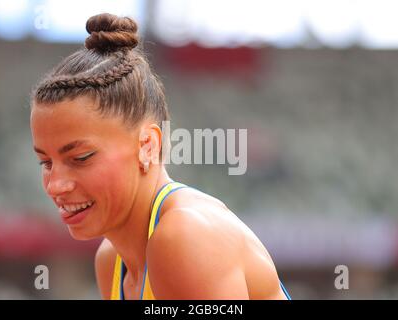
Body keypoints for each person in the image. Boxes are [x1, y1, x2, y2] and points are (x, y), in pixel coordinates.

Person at [30, 13, 291, 300]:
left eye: (81, 158)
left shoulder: (185, 236)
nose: (55, 185)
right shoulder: (111, 259)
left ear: (148, 146)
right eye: (46, 162)